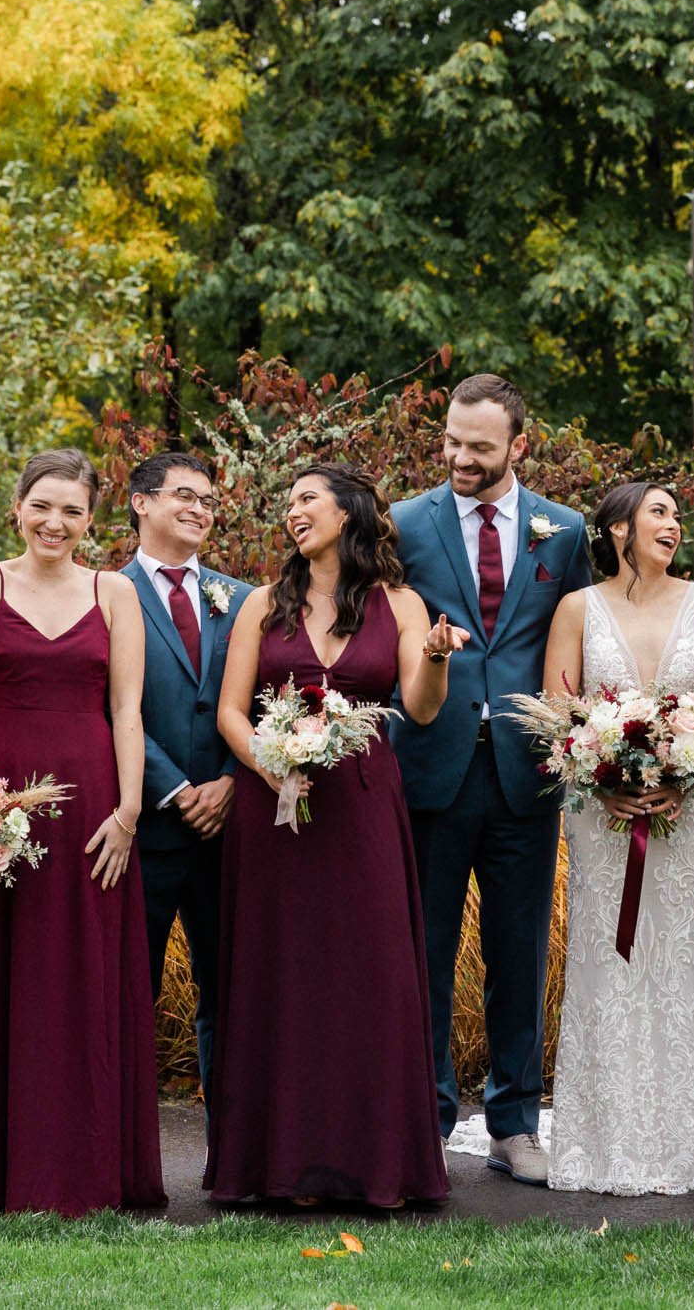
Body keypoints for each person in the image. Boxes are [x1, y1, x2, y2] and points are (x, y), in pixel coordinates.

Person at [207, 463, 459, 1207]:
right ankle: (279, 1167)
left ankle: (369, 1166)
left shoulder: (403, 603)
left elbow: (419, 707)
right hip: (273, 810)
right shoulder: (262, 603)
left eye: (307, 498)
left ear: (349, 511)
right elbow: (231, 712)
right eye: (287, 503)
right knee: (280, 976)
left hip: (362, 806)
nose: (293, 511)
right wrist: (274, 764)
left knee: (368, 977)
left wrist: (439, 656)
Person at [0, 449, 163, 1215]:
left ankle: (92, 1169)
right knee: (7, 976)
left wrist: (130, 810)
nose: (55, 522)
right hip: (0, 807)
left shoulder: (115, 593)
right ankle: (3, 1172)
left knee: (86, 976)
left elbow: (127, 711)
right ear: (17, 507)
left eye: (72, 510)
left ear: (93, 521)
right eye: (42, 505)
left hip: (93, 810)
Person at [389, 373, 593, 1184]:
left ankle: (514, 1122)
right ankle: (427, 1117)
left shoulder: (565, 531)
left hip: (525, 771)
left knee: (520, 950)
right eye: (451, 441)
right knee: (425, 949)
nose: (459, 458)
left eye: (479, 446)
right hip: (431, 762)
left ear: (519, 446)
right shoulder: (405, 522)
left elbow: (578, 634)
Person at [539, 482, 694, 1195]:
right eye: (660, 511)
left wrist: (684, 777)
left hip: (688, 816)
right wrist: (603, 778)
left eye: (677, 514)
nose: (675, 523)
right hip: (602, 819)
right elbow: (556, 717)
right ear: (618, 528)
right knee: (610, 968)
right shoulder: (576, 608)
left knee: (686, 965)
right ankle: (606, 1139)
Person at [120, 453, 252, 1105]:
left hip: (232, 827)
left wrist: (230, 780)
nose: (200, 507)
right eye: (184, 495)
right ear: (141, 502)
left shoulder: (245, 599)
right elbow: (108, 706)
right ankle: (122, 1152)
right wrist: (175, 787)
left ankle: (231, 1153)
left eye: (207, 499)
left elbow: (263, 701)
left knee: (231, 992)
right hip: (143, 828)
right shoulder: (106, 594)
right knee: (127, 992)